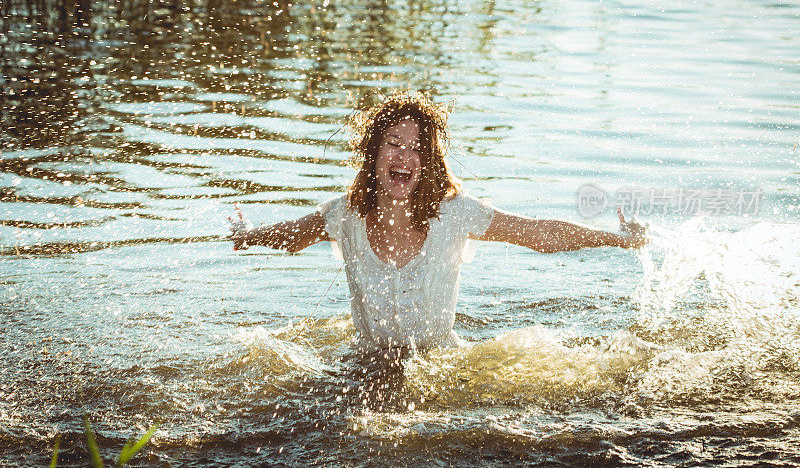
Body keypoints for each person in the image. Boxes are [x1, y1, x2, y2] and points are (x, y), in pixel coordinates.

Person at [229, 92, 646, 354]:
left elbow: (537, 234)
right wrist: (247, 236)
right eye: (392, 144)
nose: (403, 157)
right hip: (366, 361)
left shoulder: (455, 215)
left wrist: (618, 239)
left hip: (440, 364)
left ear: (427, 163)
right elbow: (294, 238)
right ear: (373, 155)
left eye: (416, 150)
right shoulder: (346, 215)